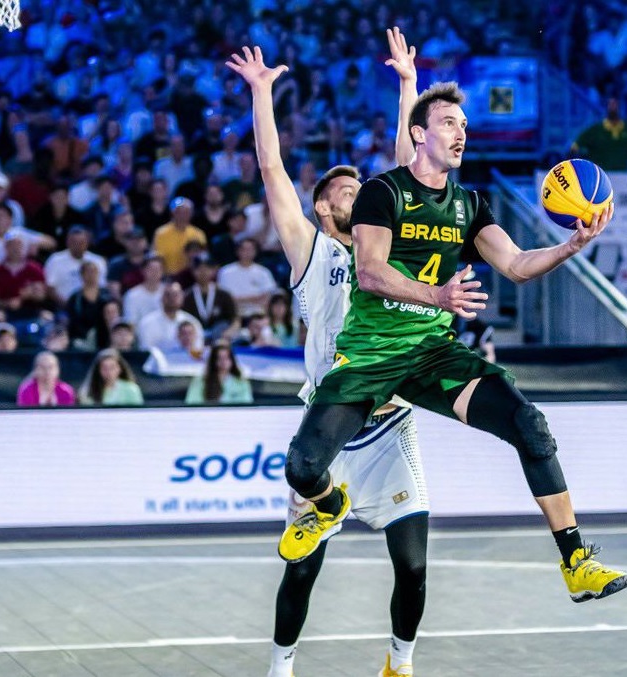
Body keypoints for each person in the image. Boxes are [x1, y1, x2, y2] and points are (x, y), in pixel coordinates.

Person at [246, 46, 627, 613]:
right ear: (421, 133)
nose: (462, 132)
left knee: (529, 423)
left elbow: (519, 266)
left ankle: (576, 561)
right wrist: (439, 295)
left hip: (430, 354)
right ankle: (327, 505)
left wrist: (572, 245)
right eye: (450, 122)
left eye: (465, 125)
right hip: (371, 357)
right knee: (302, 465)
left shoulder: (470, 205)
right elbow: (373, 275)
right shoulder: (380, 193)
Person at [228, 32, 433, 677]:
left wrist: (407, 85)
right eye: (347, 189)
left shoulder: (388, 246)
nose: (359, 193)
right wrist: (263, 96)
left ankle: (400, 662)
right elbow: (272, 172)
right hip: (330, 427)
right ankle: (280, 667)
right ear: (323, 206)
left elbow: (408, 160)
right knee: (301, 570)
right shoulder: (312, 253)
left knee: (415, 565)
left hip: (391, 423)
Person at [570, 97, 627, 171]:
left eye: (615, 104)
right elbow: (575, 147)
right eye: (610, 104)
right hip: (602, 174)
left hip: (624, 173)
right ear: (606, 107)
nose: (613, 107)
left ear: (619, 107)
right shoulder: (595, 130)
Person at [184, 341, 253, 405]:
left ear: (232, 360)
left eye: (226, 358)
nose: (223, 362)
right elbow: (192, 403)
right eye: (219, 358)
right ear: (213, 361)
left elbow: (246, 405)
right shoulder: (200, 381)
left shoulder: (241, 383)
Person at [78, 348, 144, 406]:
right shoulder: (88, 391)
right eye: (104, 368)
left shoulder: (131, 389)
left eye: (112, 367)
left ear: (119, 368)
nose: (108, 372)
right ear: (98, 370)